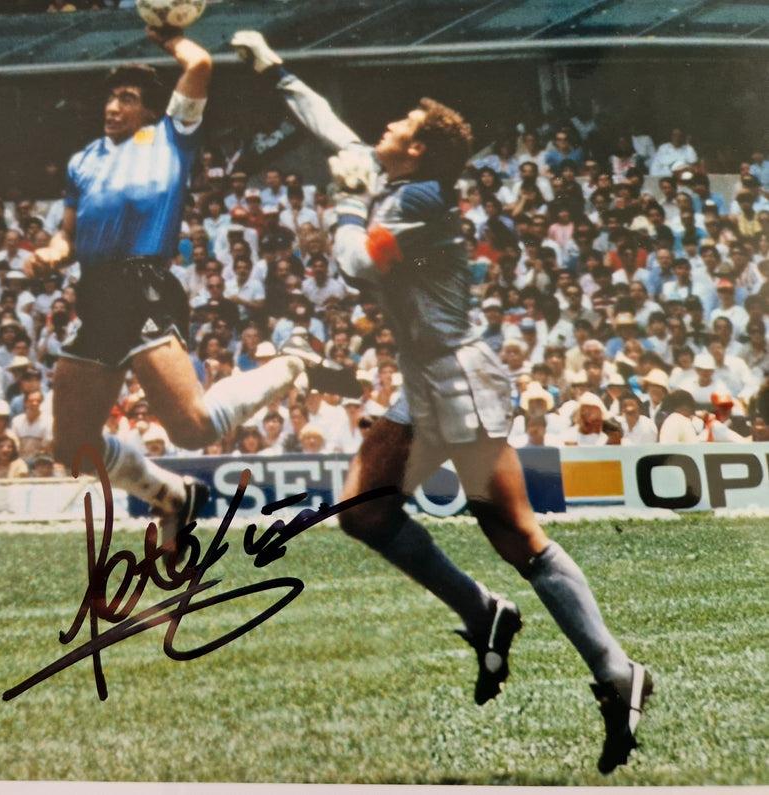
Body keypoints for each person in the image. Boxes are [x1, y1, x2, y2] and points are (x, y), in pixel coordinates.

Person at [232, 30, 650, 774]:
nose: (383, 129)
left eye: (398, 126)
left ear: (418, 150)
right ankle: (484, 612)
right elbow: (330, 126)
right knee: (361, 510)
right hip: (428, 378)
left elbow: (359, 265)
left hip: (459, 377)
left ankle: (617, 672)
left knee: (518, 538)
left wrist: (343, 204)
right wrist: (275, 69)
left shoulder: (419, 198)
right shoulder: (403, 182)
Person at [24, 26, 346, 545]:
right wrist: (49, 255)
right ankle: (173, 496)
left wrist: (167, 33)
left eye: (126, 98)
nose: (113, 105)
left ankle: (288, 366)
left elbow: (198, 65)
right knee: (73, 447)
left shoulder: (172, 134)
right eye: (111, 96)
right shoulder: (83, 160)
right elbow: (66, 237)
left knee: (192, 428)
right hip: (97, 293)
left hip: (145, 284)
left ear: (151, 110)